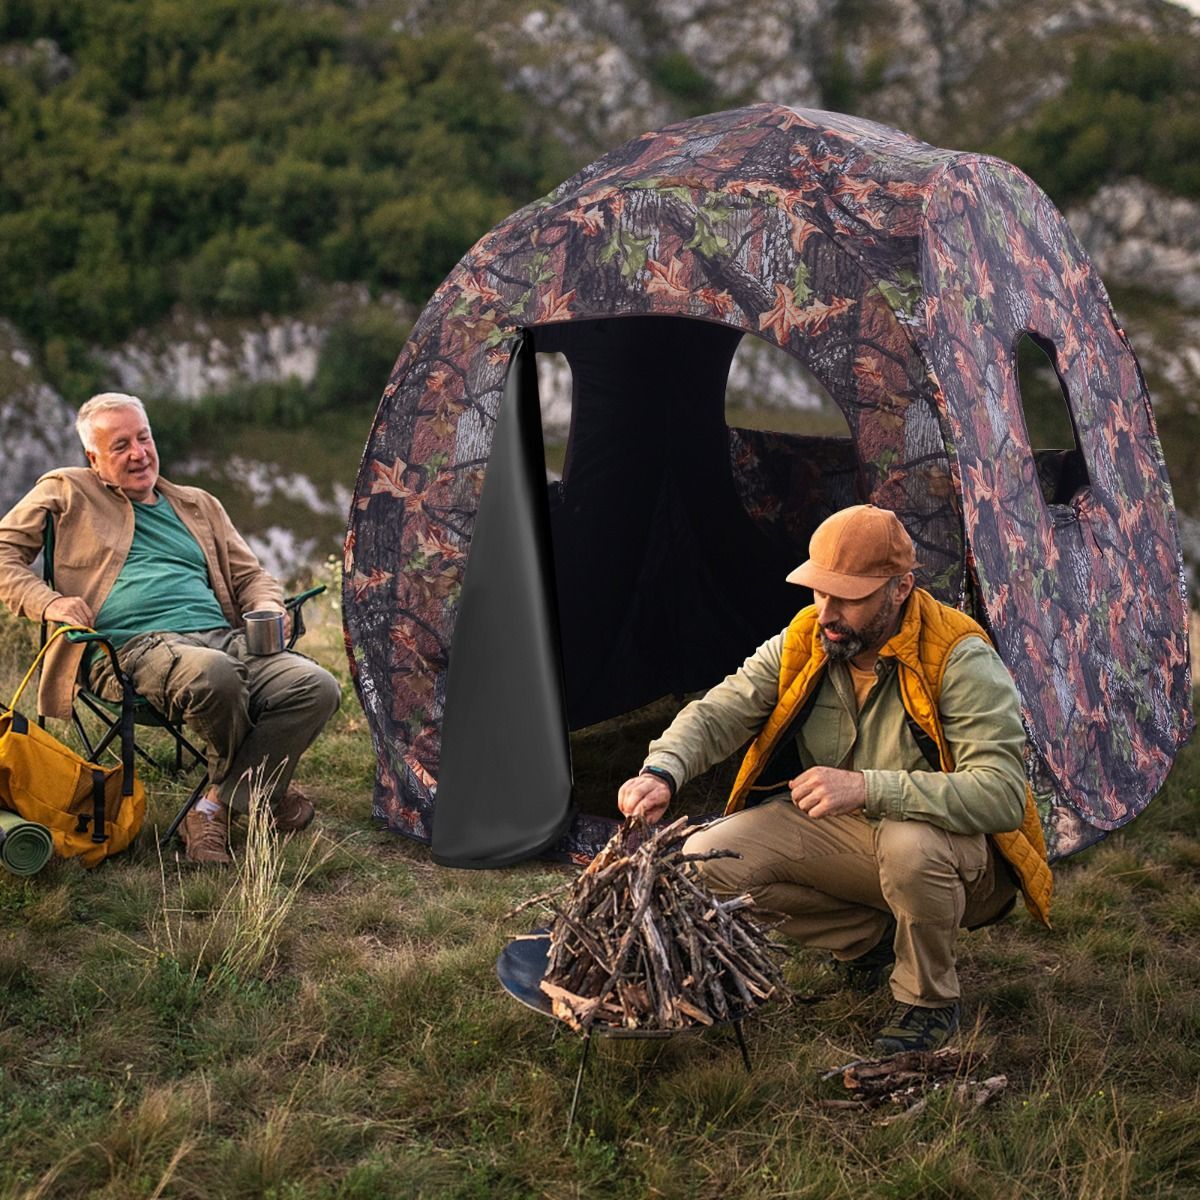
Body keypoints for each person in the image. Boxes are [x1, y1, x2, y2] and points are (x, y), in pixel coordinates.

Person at [617, 504, 1052, 1054]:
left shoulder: (958, 657)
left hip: (958, 860)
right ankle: (866, 941)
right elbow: (721, 710)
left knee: (909, 844)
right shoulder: (808, 637)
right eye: (820, 592)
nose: (828, 611)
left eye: (848, 595)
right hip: (850, 841)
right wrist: (662, 770)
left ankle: (928, 1002)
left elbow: (1002, 795)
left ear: (900, 589)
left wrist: (868, 787)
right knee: (702, 861)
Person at [0, 392, 341, 865]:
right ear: (93, 458)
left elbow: (251, 576)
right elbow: (3, 552)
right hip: (128, 651)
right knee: (215, 676)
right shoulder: (67, 489)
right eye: (120, 445)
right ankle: (261, 793)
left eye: (144, 437)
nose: (139, 453)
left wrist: (267, 605)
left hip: (222, 638)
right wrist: (50, 602)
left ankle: (213, 806)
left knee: (316, 686)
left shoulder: (197, 504)